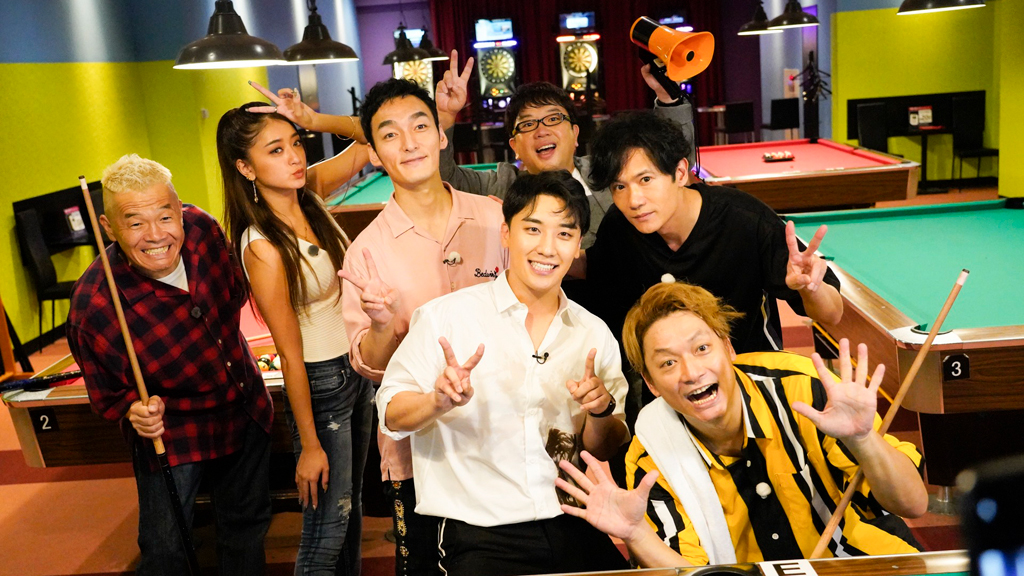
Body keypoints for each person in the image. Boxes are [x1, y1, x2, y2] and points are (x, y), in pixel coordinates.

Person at [556, 281, 928, 567]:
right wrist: (636, 534)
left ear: (729, 348)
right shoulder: (651, 459)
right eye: (668, 363)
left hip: (862, 564)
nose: (691, 372)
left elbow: (913, 504)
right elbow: (689, 572)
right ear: (651, 384)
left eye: (702, 348)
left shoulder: (805, 388)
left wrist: (864, 439)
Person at [377, 171, 631, 576]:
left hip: (570, 520)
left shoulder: (592, 331)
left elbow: (602, 448)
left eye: (564, 234)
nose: (547, 247)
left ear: (578, 245)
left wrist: (600, 412)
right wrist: (436, 401)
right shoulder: (446, 317)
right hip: (477, 533)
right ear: (506, 234)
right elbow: (391, 413)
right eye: (533, 229)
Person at [66, 154, 274, 575]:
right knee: (165, 548)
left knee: (245, 528)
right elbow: (108, 395)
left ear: (180, 209)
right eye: (135, 222)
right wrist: (134, 409)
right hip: (173, 428)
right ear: (108, 227)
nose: (156, 235)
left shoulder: (204, 230)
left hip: (242, 401)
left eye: (165, 216)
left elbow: (235, 294)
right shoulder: (94, 304)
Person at [339, 78, 508, 576]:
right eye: (390, 134)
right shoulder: (366, 251)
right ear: (374, 154)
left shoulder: (495, 218)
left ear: (440, 135)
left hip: (504, 431)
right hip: (419, 452)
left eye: (419, 126)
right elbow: (368, 367)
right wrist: (381, 325)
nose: (409, 143)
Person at [583, 111, 844, 427]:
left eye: (646, 180)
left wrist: (810, 287)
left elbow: (832, 314)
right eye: (619, 186)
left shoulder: (744, 220)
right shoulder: (617, 231)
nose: (634, 200)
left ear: (680, 172)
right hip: (673, 399)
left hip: (754, 386)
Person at [217, 102, 373, 575]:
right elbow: (289, 354)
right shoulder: (261, 245)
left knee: (351, 511)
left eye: (296, 143)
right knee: (326, 530)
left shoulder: (311, 195)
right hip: (322, 382)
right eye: (275, 150)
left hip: (358, 368)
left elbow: (368, 135)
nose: (295, 156)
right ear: (245, 168)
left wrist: (313, 120)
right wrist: (308, 444)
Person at [433, 51, 696, 248]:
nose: (541, 131)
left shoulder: (607, 169)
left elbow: (670, 156)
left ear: (575, 135)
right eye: (527, 124)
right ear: (514, 147)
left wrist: (668, 97)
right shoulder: (501, 185)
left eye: (553, 118)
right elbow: (442, 180)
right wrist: (445, 118)